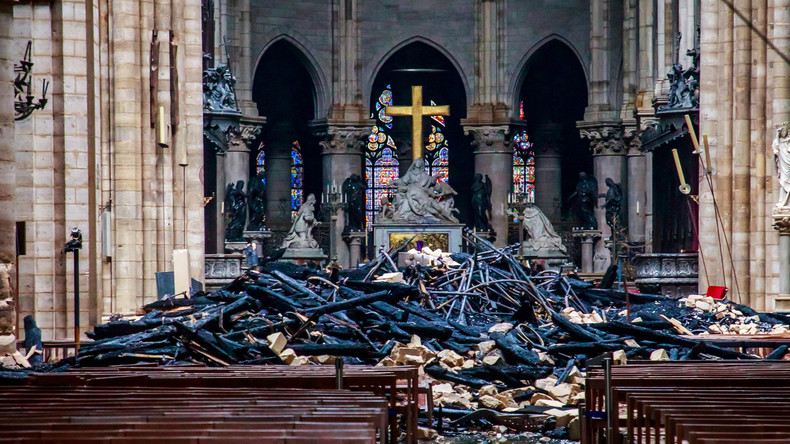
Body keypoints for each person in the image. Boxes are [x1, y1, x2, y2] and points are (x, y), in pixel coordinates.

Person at [774, 122, 790, 207]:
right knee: (783, 181)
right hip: (783, 163)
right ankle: (782, 201)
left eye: (785, 131)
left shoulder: (788, 141)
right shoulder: (778, 142)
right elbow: (775, 148)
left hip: (788, 163)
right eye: (782, 132)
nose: (784, 133)